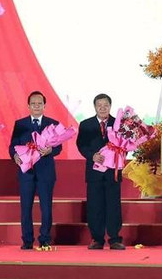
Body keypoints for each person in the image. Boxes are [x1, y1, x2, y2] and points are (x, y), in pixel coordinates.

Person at [9, 91, 63, 251]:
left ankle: (45, 239)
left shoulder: (52, 123)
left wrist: (50, 150)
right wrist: (15, 156)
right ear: (28, 106)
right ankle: (27, 240)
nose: (36, 106)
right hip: (26, 171)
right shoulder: (20, 124)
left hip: (45, 171)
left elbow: (59, 147)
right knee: (26, 207)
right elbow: (13, 145)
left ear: (44, 106)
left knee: (46, 207)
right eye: (33, 104)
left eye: (40, 104)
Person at [76, 93, 125, 250]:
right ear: (95, 107)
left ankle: (115, 239)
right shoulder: (86, 125)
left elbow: (125, 144)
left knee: (113, 205)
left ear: (110, 106)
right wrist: (92, 156)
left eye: (106, 105)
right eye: (99, 105)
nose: (103, 108)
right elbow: (81, 145)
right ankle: (96, 239)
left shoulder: (119, 124)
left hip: (113, 172)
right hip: (94, 172)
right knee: (95, 206)